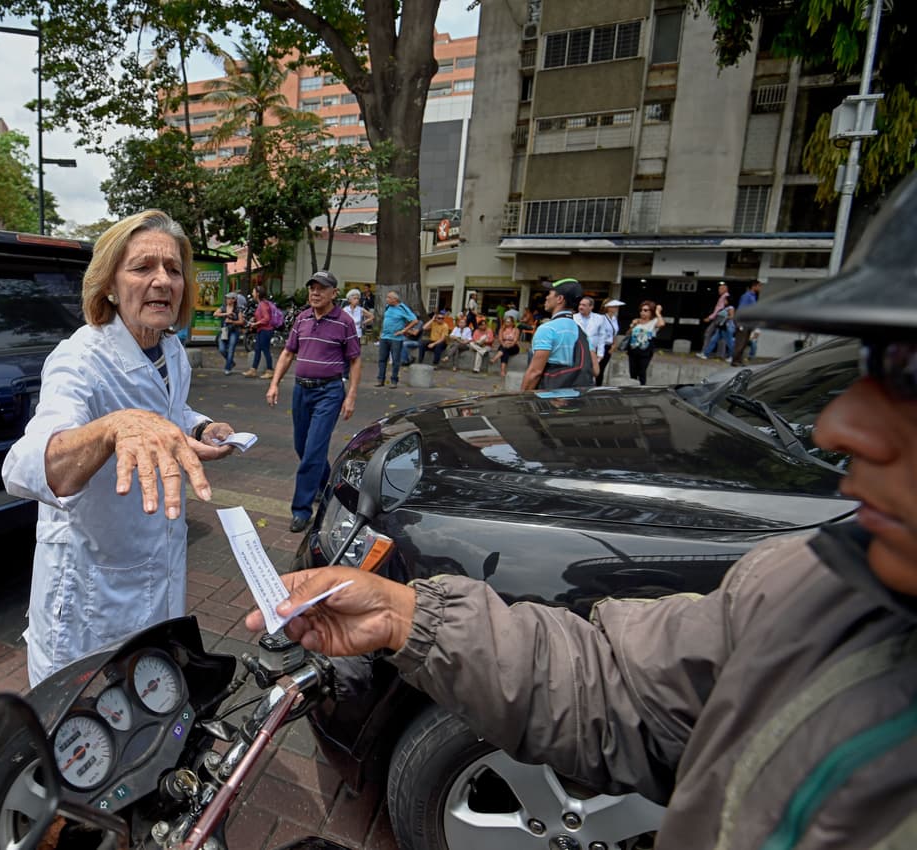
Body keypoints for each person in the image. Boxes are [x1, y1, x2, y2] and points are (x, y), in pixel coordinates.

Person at [248, 172, 917, 849]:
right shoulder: (813, 591)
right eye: (869, 363)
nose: (842, 426)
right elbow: (622, 690)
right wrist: (406, 617)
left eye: (910, 374)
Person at [1, 210, 236, 686]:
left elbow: (170, 410)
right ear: (108, 284)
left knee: (146, 705)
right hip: (93, 592)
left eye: (173, 269)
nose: (162, 281)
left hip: (157, 569)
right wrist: (113, 427)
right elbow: (26, 467)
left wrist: (202, 425)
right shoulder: (79, 359)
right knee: (84, 728)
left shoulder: (170, 351)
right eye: (142, 267)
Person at [266, 270, 361, 533]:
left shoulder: (344, 322)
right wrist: (274, 384)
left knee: (313, 451)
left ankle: (301, 510)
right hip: (301, 391)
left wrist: (351, 396)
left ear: (334, 293)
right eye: (312, 288)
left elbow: (354, 360)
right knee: (303, 447)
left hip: (329, 393)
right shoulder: (302, 318)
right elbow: (287, 353)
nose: (315, 293)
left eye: (321, 289)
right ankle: (325, 486)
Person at [520, 278, 594, 391]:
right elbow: (595, 370)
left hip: (550, 400)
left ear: (560, 299)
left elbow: (535, 373)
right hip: (576, 400)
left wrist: (522, 399)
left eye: (550, 293)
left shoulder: (547, 329)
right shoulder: (582, 333)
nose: (546, 297)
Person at [376, 290, 419, 388]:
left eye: (388, 297)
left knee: (395, 360)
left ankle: (394, 380)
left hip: (396, 338)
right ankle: (380, 379)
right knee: (382, 359)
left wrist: (404, 330)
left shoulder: (402, 308)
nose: (386, 299)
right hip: (384, 337)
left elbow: (414, 320)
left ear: (394, 299)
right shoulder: (388, 307)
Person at [242, 284, 278, 379]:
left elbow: (266, 319)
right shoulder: (261, 304)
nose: (252, 293)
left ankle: (270, 370)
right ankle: (253, 369)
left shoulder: (263, 304)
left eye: (253, 291)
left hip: (266, 330)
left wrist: (256, 323)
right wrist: (254, 319)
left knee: (265, 350)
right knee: (257, 349)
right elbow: (261, 316)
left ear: (257, 294)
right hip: (261, 330)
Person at [626, 299, 665, 385]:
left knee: (642, 371)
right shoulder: (637, 320)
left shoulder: (654, 322)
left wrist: (658, 312)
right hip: (633, 350)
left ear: (651, 311)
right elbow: (628, 333)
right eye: (641, 310)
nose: (642, 312)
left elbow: (662, 324)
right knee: (632, 372)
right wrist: (633, 325)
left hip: (645, 351)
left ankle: (642, 389)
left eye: (646, 310)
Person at [729, 281, 763, 366]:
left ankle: (739, 360)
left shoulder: (753, 296)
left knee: (745, 343)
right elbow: (741, 309)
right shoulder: (747, 296)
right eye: (759, 286)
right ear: (753, 286)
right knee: (740, 342)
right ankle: (735, 361)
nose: (760, 288)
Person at [213, 293, 244, 374]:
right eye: (227, 298)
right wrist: (226, 314)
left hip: (234, 330)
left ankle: (227, 368)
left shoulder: (238, 309)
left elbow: (241, 321)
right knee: (222, 349)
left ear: (234, 300)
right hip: (225, 330)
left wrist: (232, 321)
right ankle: (231, 362)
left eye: (230, 298)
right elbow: (215, 314)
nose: (228, 300)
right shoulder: (223, 307)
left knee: (231, 349)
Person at [696, 281, 729, 358]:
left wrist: (710, 317)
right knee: (720, 336)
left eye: (721, 289)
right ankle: (720, 354)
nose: (719, 290)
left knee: (709, 334)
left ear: (725, 289)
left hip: (719, 318)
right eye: (719, 289)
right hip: (720, 318)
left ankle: (705, 352)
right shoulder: (723, 297)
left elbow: (720, 309)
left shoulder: (725, 297)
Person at [595, 298, 623, 385]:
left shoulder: (614, 318)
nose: (616, 308)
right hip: (600, 346)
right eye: (614, 306)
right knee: (598, 368)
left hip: (609, 346)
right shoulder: (601, 318)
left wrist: (614, 345)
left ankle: (598, 386)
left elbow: (614, 333)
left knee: (602, 368)